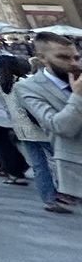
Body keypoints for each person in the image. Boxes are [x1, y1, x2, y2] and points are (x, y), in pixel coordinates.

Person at [10, 32, 82, 208]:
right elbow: (60, 127)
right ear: (42, 58)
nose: (73, 63)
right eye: (63, 57)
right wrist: (78, 96)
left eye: (76, 57)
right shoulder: (27, 87)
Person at [3, 53, 70, 212]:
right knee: (63, 159)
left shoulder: (2, 86)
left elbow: (6, 107)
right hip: (39, 128)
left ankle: (49, 199)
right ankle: (66, 192)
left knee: (39, 165)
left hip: (22, 130)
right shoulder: (25, 83)